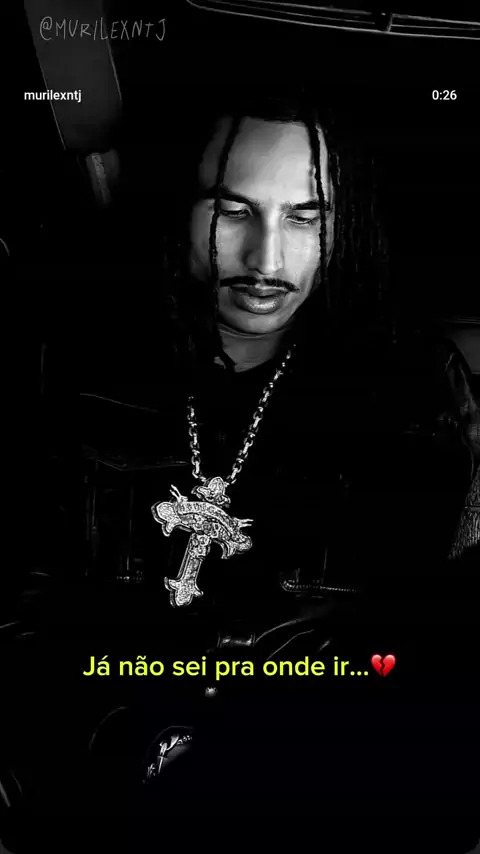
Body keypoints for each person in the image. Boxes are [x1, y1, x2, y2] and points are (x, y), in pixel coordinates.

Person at [2, 86, 479, 844]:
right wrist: (121, 749)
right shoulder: (71, 364)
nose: (267, 260)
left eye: (305, 217)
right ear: (180, 204)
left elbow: (430, 641)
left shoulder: (414, 393)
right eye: (233, 210)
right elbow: (19, 609)